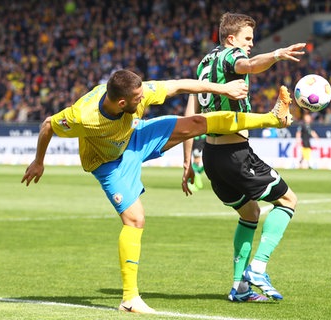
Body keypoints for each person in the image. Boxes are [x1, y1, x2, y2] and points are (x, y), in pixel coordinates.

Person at [21, 69, 293, 314]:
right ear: (121, 103)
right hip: (108, 163)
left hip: (135, 137)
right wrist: (39, 160)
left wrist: (222, 89)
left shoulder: (138, 95)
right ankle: (130, 300)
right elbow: (47, 125)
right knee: (135, 219)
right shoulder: (83, 116)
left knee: (196, 124)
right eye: (138, 99)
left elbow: (178, 86)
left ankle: (271, 118)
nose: (144, 101)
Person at [182, 12, 305, 302]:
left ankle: (239, 288)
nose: (250, 44)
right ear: (231, 38)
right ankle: (258, 268)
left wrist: (188, 162)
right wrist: (276, 54)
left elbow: (190, 113)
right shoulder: (230, 56)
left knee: (249, 213)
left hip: (211, 157)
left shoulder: (204, 63)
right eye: (247, 38)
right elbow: (246, 64)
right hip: (235, 154)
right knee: (288, 201)